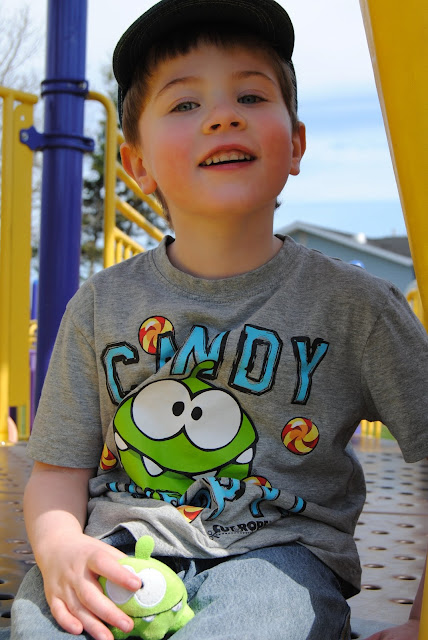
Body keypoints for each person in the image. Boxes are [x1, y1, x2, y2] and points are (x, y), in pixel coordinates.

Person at [8, 0, 428, 639]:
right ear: (138, 165)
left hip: (279, 555)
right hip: (119, 543)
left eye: (251, 97)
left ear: (295, 144)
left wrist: (423, 618)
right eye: (184, 103)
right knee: (47, 621)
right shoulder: (100, 305)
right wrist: (61, 548)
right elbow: (57, 471)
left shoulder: (356, 307)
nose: (223, 115)